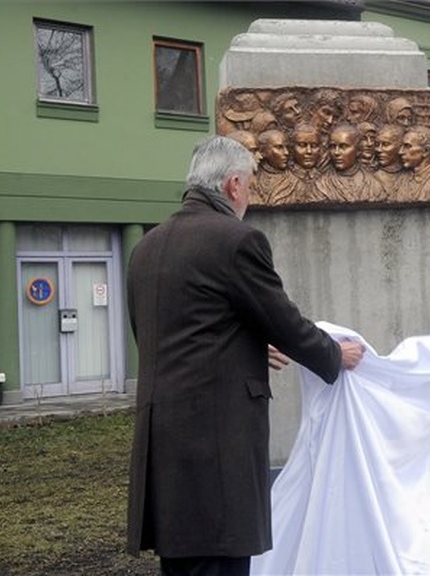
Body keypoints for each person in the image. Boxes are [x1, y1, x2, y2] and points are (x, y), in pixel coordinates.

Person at [126, 135, 364, 576]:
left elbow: (167, 340)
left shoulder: (146, 248)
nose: (251, 196)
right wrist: (334, 355)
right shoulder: (236, 241)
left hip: (165, 453)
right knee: (221, 565)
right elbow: (284, 321)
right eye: (252, 185)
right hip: (216, 452)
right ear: (234, 184)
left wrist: (246, 345)